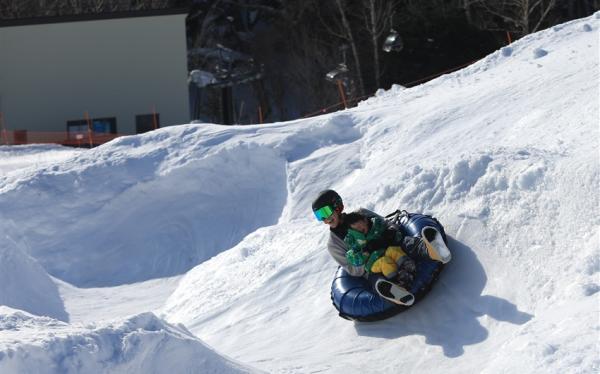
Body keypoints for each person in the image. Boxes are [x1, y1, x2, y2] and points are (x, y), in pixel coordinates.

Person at [312, 189, 451, 304]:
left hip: (390, 246)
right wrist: (365, 255)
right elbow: (353, 270)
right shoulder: (333, 244)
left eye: (325, 212)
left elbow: (386, 223)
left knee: (406, 242)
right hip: (373, 264)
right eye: (319, 216)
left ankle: (432, 250)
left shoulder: (361, 213)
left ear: (337, 206)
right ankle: (395, 291)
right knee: (374, 276)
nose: (325, 219)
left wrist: (390, 232)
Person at [344, 212, 416, 288]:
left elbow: (393, 229)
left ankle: (408, 265)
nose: (359, 230)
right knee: (384, 262)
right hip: (372, 262)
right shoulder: (353, 241)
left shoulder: (376, 225)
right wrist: (366, 252)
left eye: (359, 226)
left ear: (365, 220)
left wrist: (391, 234)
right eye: (355, 229)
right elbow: (352, 258)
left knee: (393, 250)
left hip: (385, 251)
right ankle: (397, 280)